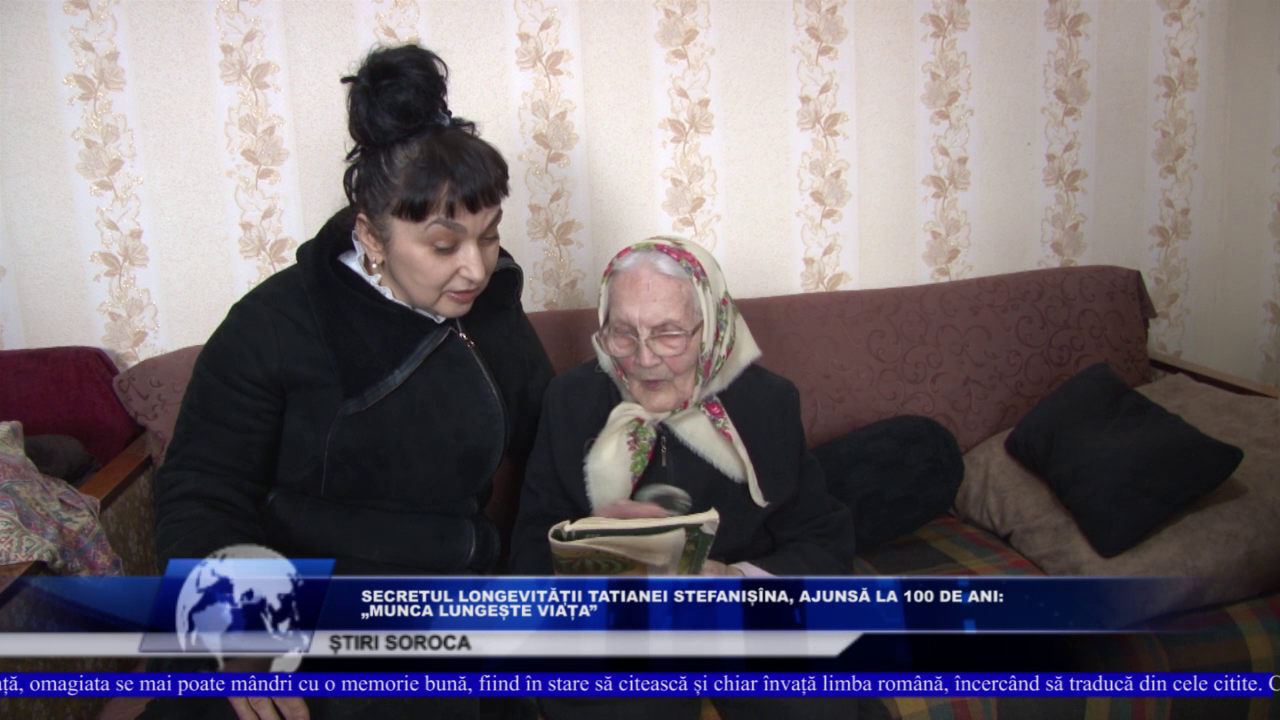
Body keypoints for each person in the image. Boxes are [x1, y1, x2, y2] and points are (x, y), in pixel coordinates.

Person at [142, 44, 552, 720]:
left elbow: (553, 446)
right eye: (444, 245)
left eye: (488, 236)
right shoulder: (275, 324)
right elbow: (200, 490)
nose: (477, 268)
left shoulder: (491, 308)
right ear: (371, 234)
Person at [509, 237, 856, 720]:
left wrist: (735, 582)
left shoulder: (767, 402)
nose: (644, 358)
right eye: (622, 333)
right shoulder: (570, 400)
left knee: (815, 701)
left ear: (711, 326)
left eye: (669, 334)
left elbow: (823, 543)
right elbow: (529, 550)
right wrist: (597, 563)